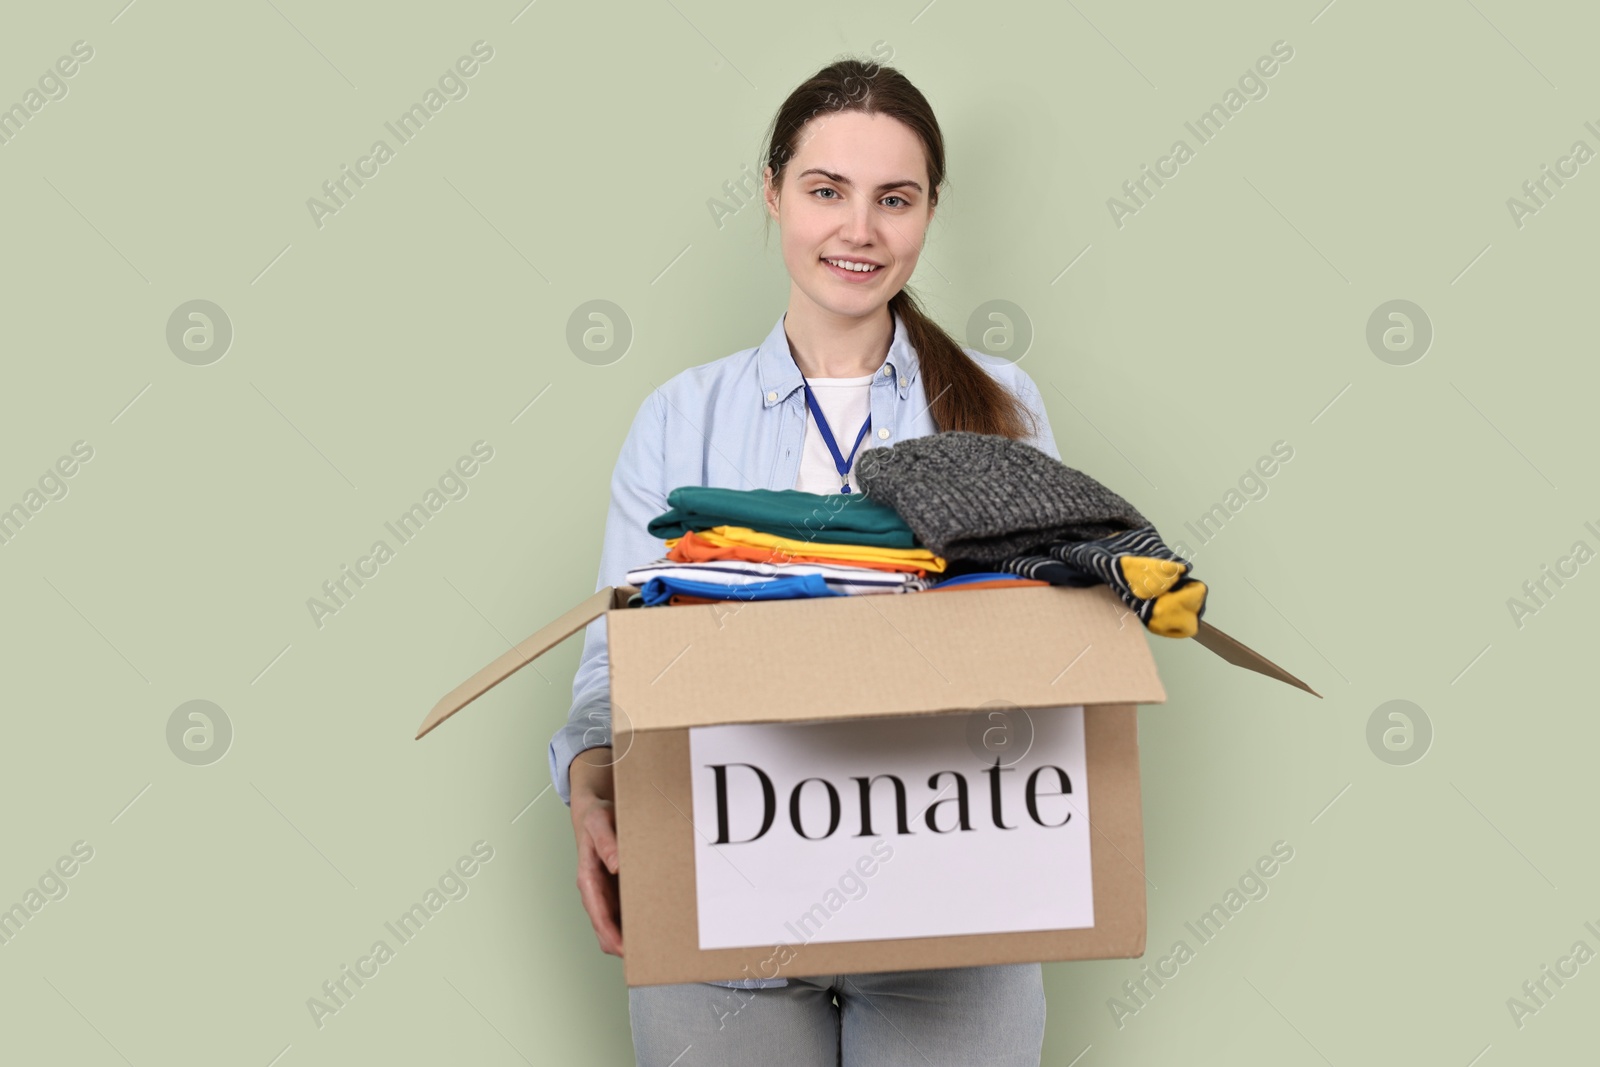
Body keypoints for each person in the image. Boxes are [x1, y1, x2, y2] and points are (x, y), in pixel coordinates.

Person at [549, 56, 1060, 1066]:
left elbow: (1040, 642)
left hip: (950, 898)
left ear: (927, 213)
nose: (858, 230)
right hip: (723, 878)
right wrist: (594, 789)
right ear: (773, 193)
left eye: (894, 199)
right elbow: (621, 648)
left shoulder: (1001, 403)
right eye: (826, 191)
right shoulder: (681, 416)